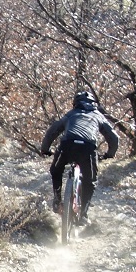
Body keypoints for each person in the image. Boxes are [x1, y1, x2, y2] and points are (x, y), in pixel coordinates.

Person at [40, 91, 119, 226]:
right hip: (87, 150)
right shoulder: (98, 116)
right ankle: (83, 214)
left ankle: (57, 200)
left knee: (56, 171)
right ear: (94, 104)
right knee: (90, 181)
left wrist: (45, 149)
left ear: (75, 103)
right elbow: (114, 137)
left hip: (67, 146)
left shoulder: (71, 114)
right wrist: (109, 154)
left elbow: (53, 130)